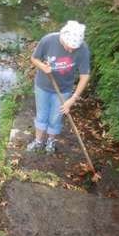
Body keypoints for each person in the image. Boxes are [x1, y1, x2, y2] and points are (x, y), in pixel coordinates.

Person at [27, 20, 90, 153]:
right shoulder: (48, 40)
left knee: (55, 117)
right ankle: (38, 141)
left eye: (74, 48)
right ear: (62, 37)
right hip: (42, 86)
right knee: (42, 114)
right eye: (68, 46)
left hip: (64, 89)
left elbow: (85, 76)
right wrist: (43, 67)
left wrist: (72, 100)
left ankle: (51, 141)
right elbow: (34, 58)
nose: (71, 50)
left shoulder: (83, 49)